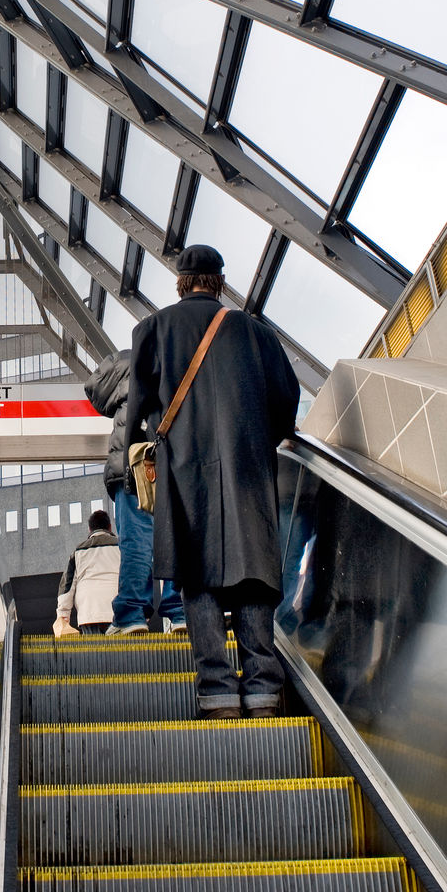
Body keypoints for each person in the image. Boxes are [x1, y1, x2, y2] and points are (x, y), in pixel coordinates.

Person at [124, 243, 300, 717]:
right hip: (247, 470)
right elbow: (287, 399)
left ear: (180, 281)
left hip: (185, 469)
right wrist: (265, 437)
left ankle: (218, 689)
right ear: (219, 281)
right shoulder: (255, 332)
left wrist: (133, 453)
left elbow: (137, 404)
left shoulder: (154, 329)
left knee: (197, 575)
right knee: (253, 573)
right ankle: (263, 686)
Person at [84, 351, 184, 634]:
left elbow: (94, 390)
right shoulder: (177, 358)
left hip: (132, 462)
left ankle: (132, 615)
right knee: (176, 537)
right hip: (174, 459)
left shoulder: (122, 361)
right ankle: (179, 612)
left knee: (136, 540)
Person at [53, 508, 122, 636]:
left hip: (89, 613)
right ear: (110, 527)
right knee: (121, 653)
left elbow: (67, 585)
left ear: (90, 529)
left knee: (95, 654)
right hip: (118, 610)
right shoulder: (122, 547)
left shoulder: (78, 552)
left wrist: (63, 614)